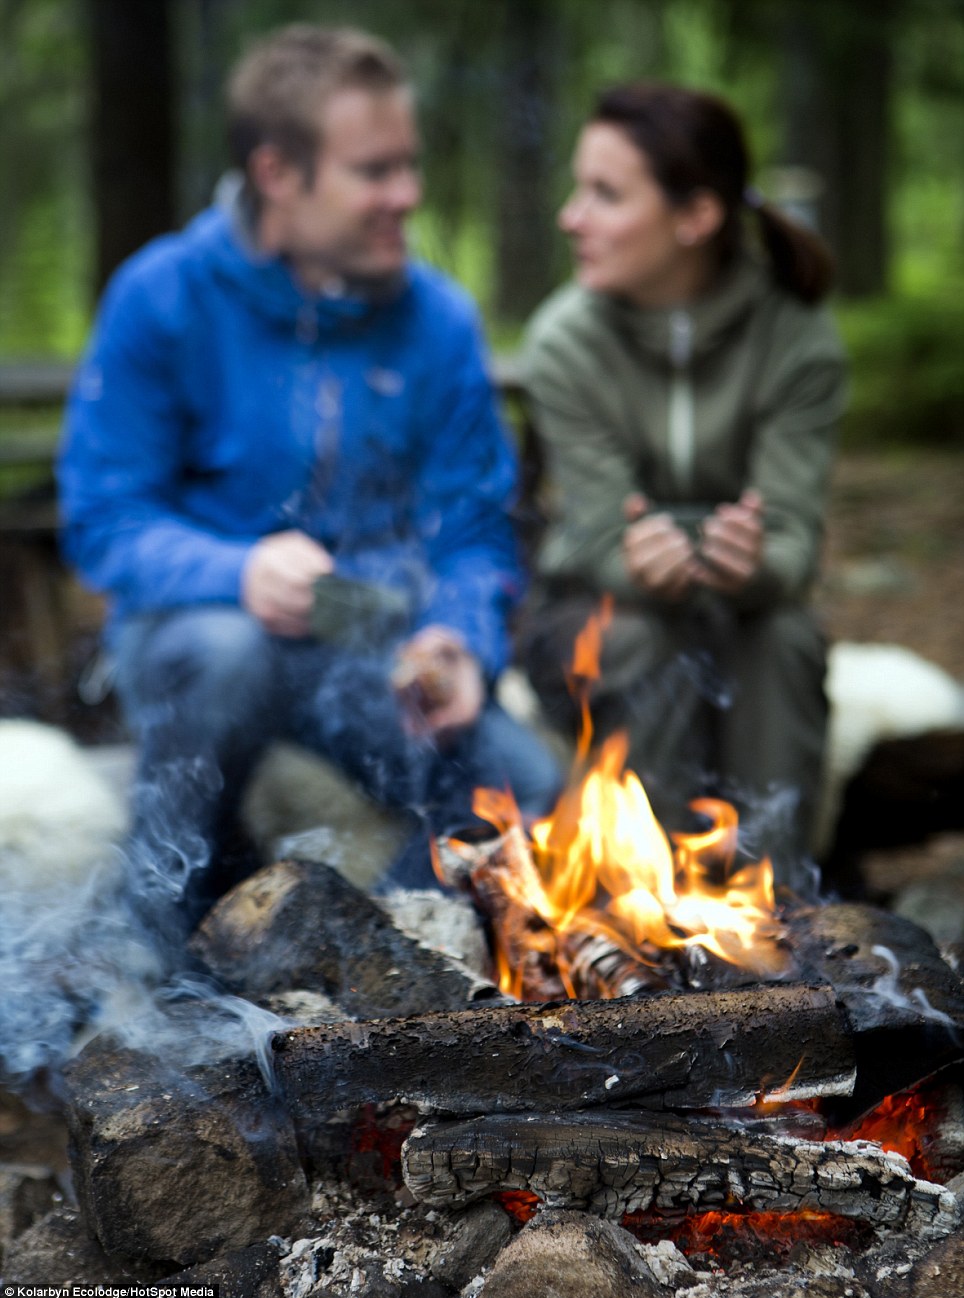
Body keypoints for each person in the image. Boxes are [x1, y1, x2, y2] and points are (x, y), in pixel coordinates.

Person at [58, 24, 560, 939]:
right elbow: (104, 522)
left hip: (371, 646)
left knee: (525, 784)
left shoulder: (438, 321)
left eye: (408, 166)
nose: (406, 195)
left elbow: (475, 531)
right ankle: (154, 952)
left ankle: (372, 959)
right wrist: (237, 571)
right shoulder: (163, 296)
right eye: (375, 171)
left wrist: (460, 637)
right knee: (228, 650)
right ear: (278, 174)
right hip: (199, 638)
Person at [520, 82, 847, 880]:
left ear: (695, 217)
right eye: (577, 188)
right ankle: (648, 909)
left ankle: (775, 905)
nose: (572, 216)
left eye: (604, 194)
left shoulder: (796, 340)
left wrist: (755, 562)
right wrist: (635, 559)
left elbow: (793, 539)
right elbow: (597, 533)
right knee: (643, 638)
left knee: (784, 639)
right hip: (593, 616)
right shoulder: (564, 342)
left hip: (745, 617)